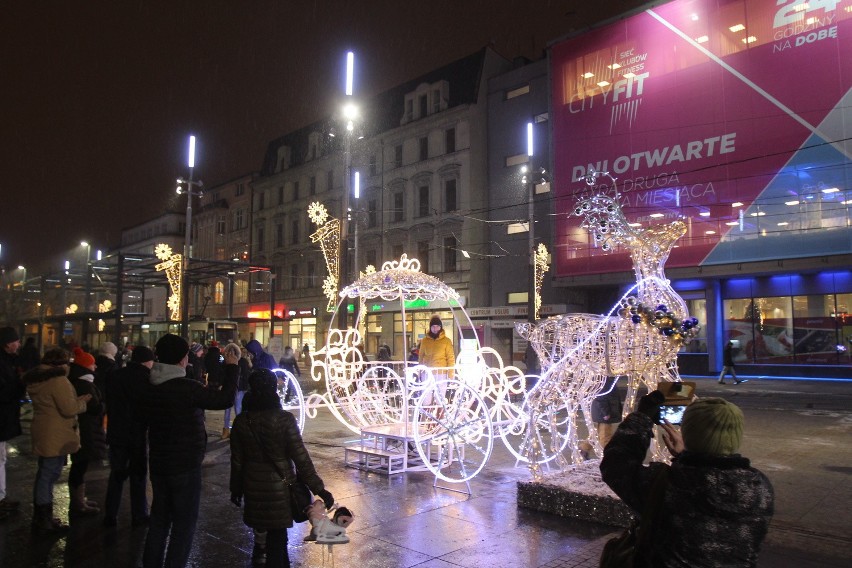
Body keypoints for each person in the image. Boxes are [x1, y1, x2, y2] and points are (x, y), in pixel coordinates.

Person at [600, 392, 774, 567]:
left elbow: (615, 465)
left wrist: (641, 418)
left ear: (689, 433)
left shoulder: (668, 484)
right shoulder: (759, 486)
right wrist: (686, 457)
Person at [139, 334, 238, 568]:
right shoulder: (186, 388)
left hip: (159, 461)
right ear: (182, 360)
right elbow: (223, 399)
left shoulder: (150, 385)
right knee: (184, 524)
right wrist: (233, 368)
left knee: (159, 520)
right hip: (185, 464)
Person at [229, 368, 334, 567]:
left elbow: (237, 461)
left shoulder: (242, 421)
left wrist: (236, 488)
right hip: (280, 490)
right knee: (278, 540)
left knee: (261, 534)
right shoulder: (284, 419)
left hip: (253, 488)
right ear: (272, 388)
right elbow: (301, 459)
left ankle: (260, 557)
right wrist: (320, 489)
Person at [23, 348, 91, 533]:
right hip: (56, 432)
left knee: (44, 473)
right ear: (61, 364)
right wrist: (82, 402)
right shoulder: (58, 380)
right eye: (67, 362)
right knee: (49, 474)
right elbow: (68, 409)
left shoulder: (38, 378)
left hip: (43, 428)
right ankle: (43, 520)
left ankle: (41, 516)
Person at [102, 345, 154, 528]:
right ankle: (139, 513)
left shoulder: (115, 375)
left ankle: (110, 513)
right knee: (138, 475)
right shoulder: (145, 379)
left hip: (117, 432)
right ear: (147, 361)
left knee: (116, 474)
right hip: (136, 433)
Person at [67, 348, 107, 515]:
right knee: (80, 465)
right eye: (92, 364)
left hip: (84, 428)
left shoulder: (78, 381)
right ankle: (77, 503)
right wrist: (103, 405)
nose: (95, 366)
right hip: (86, 429)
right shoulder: (85, 384)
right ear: (86, 367)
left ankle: (79, 499)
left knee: (80, 465)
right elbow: (95, 407)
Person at [0, 327, 25, 518]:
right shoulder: (4, 364)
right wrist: (19, 387)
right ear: (8, 343)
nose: (18, 344)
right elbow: (5, 391)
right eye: (16, 341)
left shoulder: (9, 362)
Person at [222, 342, 248, 440]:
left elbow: (246, 375)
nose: (231, 354)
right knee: (227, 410)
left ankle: (238, 430)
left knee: (238, 409)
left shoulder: (243, 362)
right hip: (229, 388)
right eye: (229, 352)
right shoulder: (225, 362)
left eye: (233, 352)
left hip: (239, 388)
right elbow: (222, 374)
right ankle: (226, 429)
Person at [590, 376, 623, 451]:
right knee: (605, 436)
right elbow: (600, 398)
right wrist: (605, 413)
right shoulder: (605, 380)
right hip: (604, 414)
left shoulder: (606, 379)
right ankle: (605, 455)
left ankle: (583, 449)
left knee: (597, 434)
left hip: (602, 413)